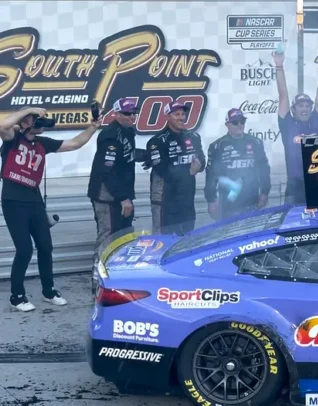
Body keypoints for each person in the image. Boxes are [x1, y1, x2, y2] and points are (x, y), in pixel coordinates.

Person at [2, 106, 98, 311]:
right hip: (13, 202)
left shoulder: (42, 142)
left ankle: (48, 291)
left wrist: (92, 127)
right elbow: (3, 125)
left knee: (46, 247)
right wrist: (29, 110)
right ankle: (16, 296)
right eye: (35, 119)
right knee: (24, 249)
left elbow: (74, 144)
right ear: (25, 122)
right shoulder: (13, 138)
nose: (41, 122)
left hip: (35, 201)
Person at [273, 49, 318, 205]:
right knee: (291, 219)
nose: (304, 108)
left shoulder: (316, 121)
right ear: (293, 109)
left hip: (317, 181)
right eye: (300, 106)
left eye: (307, 105)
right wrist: (279, 66)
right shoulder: (288, 124)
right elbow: (283, 94)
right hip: (295, 184)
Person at [147, 101, 205, 235]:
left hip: (187, 198)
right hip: (165, 200)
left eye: (183, 114)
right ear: (168, 116)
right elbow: (163, 170)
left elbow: (202, 161)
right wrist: (189, 171)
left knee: (187, 236)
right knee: (163, 238)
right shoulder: (157, 141)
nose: (181, 117)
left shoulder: (193, 137)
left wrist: (198, 166)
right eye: (176, 114)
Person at [88, 98, 140, 250]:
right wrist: (123, 198)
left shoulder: (128, 131)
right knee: (108, 235)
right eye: (127, 113)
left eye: (134, 113)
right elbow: (107, 170)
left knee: (125, 236)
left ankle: (119, 265)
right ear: (116, 114)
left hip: (122, 193)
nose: (132, 116)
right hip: (107, 197)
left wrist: (149, 156)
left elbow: (126, 155)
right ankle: (99, 265)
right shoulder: (110, 135)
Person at [205, 109, 271, 221]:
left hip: (252, 199)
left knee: (252, 229)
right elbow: (211, 176)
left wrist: (264, 192)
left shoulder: (255, 142)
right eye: (235, 122)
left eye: (242, 121)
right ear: (227, 125)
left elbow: (264, 169)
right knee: (228, 230)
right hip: (228, 202)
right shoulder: (218, 146)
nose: (239, 125)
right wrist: (211, 200)